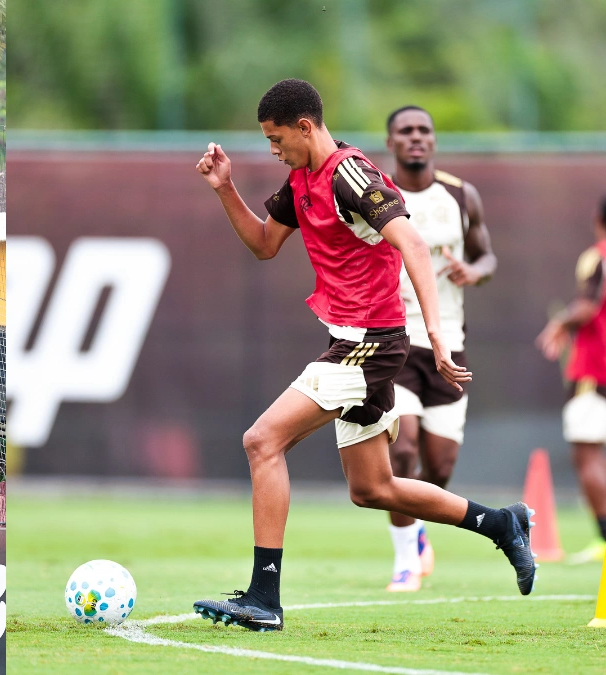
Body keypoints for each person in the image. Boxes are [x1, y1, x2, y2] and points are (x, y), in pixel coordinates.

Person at [191, 79, 534, 632]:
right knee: (373, 489)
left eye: (277, 139)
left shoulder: (352, 174)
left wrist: (439, 339)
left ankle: (263, 597)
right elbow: (263, 244)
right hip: (349, 341)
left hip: (370, 344)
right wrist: (224, 188)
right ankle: (501, 523)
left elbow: (414, 245)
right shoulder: (301, 180)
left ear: (306, 126)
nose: (273, 150)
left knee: (262, 441)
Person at [381, 105, 498, 592]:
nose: (415, 138)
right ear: (390, 142)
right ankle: (406, 560)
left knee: (440, 467)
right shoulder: (376, 195)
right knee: (402, 451)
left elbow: (485, 253)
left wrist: (477, 271)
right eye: (405, 131)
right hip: (395, 339)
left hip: (450, 344)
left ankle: (419, 530)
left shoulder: (460, 194)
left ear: (433, 140)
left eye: (423, 130)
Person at [536, 197, 606, 564]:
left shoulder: (597, 255)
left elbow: (588, 305)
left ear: (597, 217)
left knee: (587, 453)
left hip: (596, 371)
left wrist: (560, 322)